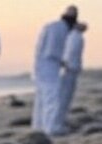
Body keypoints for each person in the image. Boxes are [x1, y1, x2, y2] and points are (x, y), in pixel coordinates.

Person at [32, 6, 78, 136]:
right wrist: (64, 62)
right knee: (51, 99)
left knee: (41, 100)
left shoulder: (52, 26)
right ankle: (50, 127)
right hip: (49, 69)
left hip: (41, 67)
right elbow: (52, 51)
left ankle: (38, 127)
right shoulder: (60, 29)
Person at [54, 22, 87, 134]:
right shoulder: (74, 37)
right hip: (70, 69)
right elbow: (70, 52)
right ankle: (58, 123)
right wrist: (67, 64)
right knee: (64, 97)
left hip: (71, 68)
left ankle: (60, 121)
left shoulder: (75, 36)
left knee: (66, 97)